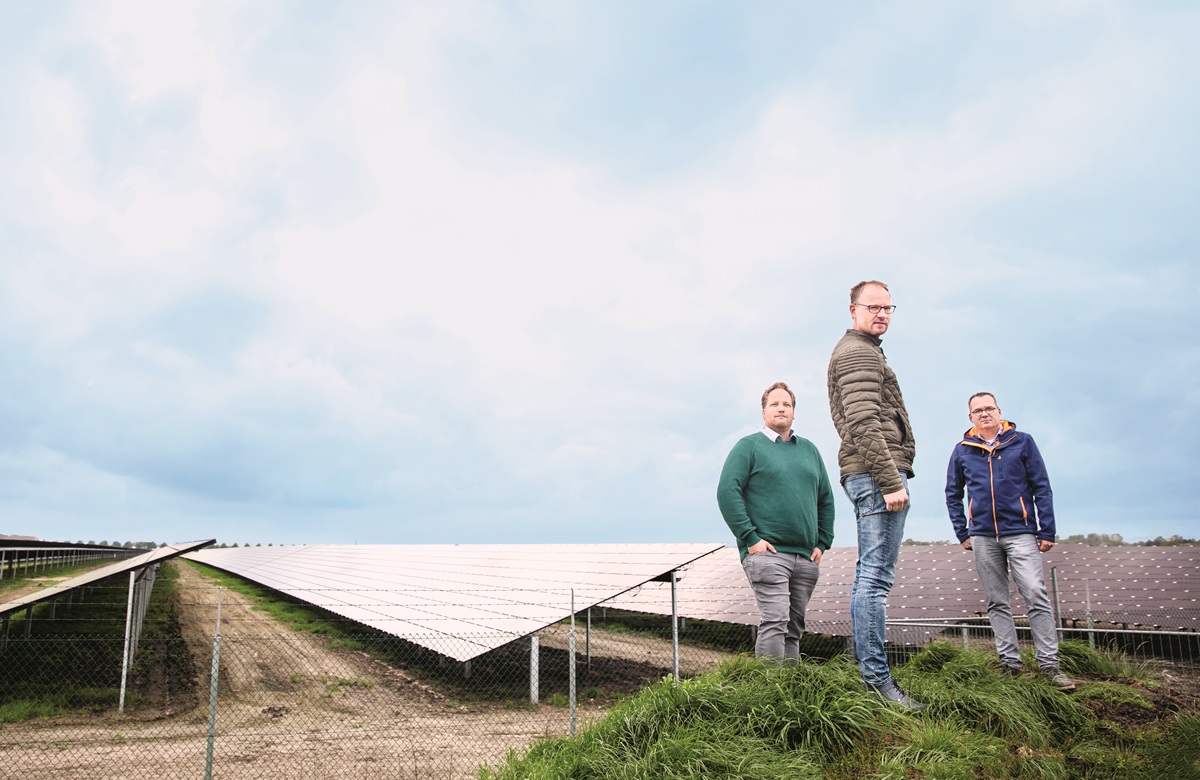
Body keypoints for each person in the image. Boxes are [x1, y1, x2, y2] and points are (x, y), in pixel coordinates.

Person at [827, 280, 922, 709]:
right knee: (874, 579)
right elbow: (864, 422)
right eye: (873, 307)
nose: (882, 314)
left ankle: (871, 674)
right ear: (853, 310)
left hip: (871, 471)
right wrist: (890, 481)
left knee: (872, 576)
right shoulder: (858, 353)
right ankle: (877, 681)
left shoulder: (866, 350)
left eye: (888, 307)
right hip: (875, 473)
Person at [945, 392, 1075, 690]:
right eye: (978, 410)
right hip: (982, 536)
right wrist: (962, 532)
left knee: (1035, 594)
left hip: (1021, 532)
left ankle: (1050, 666)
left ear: (999, 411)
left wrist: (1047, 530)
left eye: (989, 408)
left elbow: (1042, 487)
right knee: (996, 601)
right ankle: (1010, 665)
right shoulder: (963, 450)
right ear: (971, 417)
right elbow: (952, 493)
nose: (984, 413)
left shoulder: (1022, 442)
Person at [717, 381, 835, 663]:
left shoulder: (809, 450)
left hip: (806, 558)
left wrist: (822, 541)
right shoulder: (749, 447)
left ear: (793, 412)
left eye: (787, 404)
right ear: (763, 411)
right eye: (775, 404)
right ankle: (769, 690)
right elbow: (727, 491)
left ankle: (790, 695)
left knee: (794, 628)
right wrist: (751, 538)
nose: (781, 408)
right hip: (767, 554)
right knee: (776, 620)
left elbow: (825, 499)